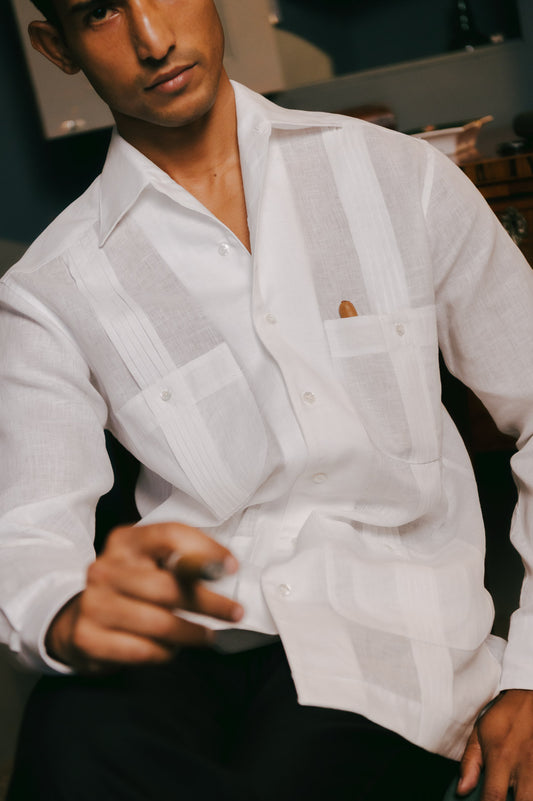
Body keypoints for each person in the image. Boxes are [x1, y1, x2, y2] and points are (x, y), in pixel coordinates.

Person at [2, 0, 533, 798]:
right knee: (68, 745)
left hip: (388, 633)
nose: (152, 38)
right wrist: (66, 612)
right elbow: (28, 525)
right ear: (58, 47)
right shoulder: (49, 288)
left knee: (298, 771)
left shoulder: (400, 178)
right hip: (193, 630)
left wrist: (530, 673)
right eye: (101, 11)